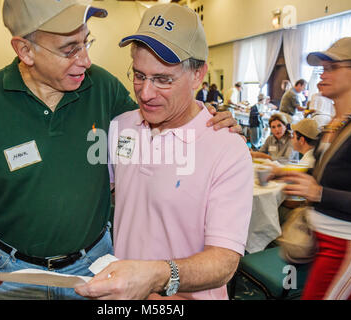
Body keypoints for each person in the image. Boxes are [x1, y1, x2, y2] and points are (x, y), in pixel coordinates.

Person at [0, 0, 240, 300]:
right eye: (70, 50)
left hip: (94, 269)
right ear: (25, 50)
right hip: (9, 274)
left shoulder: (102, 88)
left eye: (86, 43)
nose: (86, 60)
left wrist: (209, 115)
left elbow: (162, 113)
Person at [75, 3, 253, 300]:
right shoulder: (121, 127)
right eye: (139, 75)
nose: (145, 93)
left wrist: (153, 278)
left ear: (198, 75)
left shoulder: (227, 147)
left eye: (163, 79)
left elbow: (224, 262)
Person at [277, 37, 351, 300]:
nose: (323, 75)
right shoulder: (335, 123)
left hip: (348, 243)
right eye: (322, 68)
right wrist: (288, 173)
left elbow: (324, 189)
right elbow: (328, 177)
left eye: (332, 68)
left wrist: (319, 193)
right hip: (321, 238)